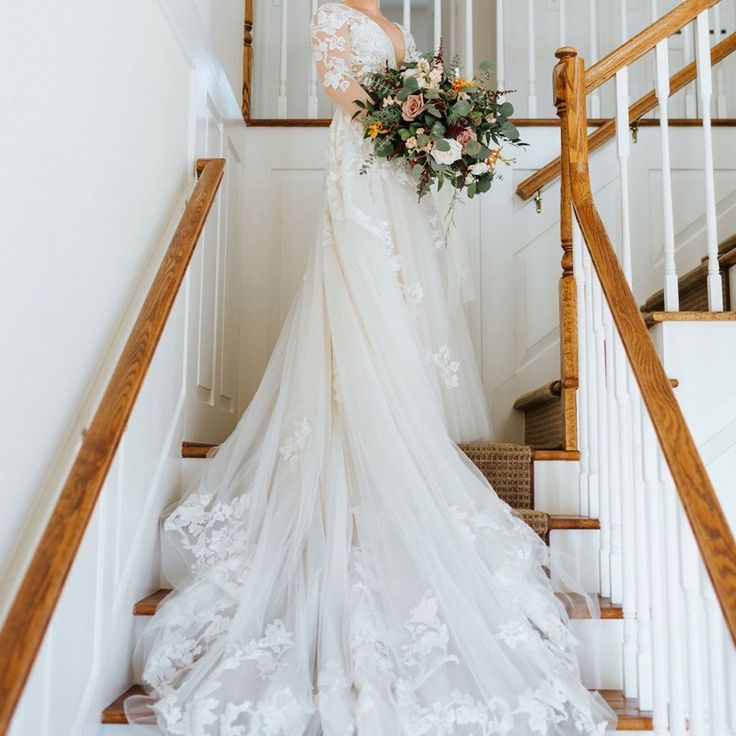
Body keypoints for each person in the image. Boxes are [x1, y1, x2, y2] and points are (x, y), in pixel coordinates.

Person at [125, 2, 617, 733]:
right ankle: (351, 430)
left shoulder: (394, 22)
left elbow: (406, 82)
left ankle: (397, 421)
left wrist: (435, 128)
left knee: (404, 303)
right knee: (358, 294)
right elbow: (335, 83)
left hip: (396, 174)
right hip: (360, 165)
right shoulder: (331, 13)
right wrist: (405, 122)